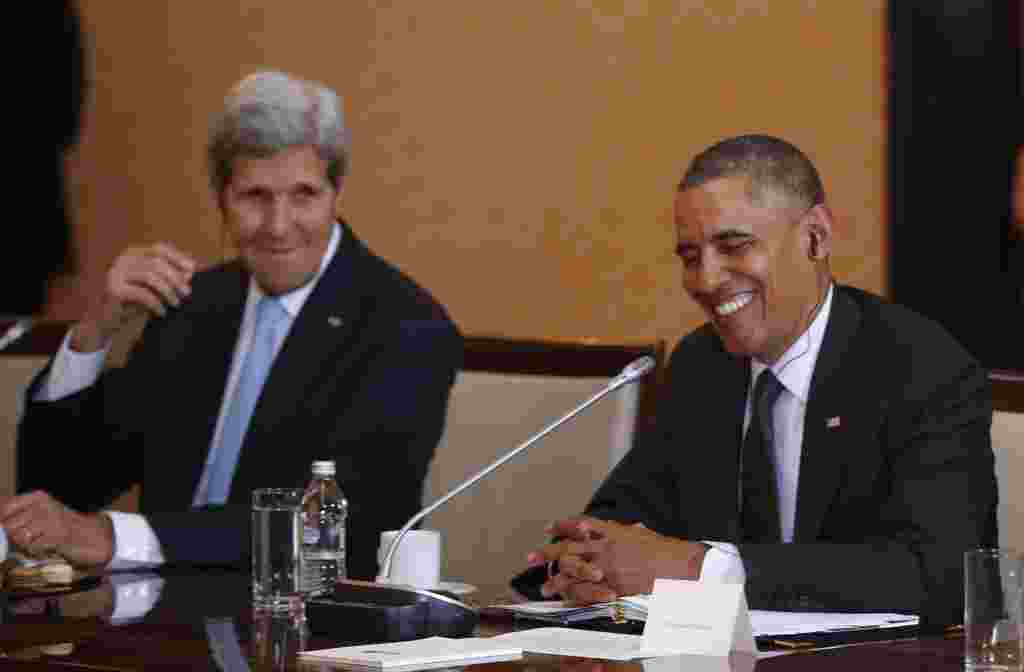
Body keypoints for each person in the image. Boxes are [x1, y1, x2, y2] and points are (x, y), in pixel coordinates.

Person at [1, 70, 462, 581]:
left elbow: (339, 520)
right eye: (255, 196)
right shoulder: (194, 305)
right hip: (160, 621)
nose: (279, 224)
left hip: (315, 628)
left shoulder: (406, 325)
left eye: (304, 194)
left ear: (337, 192)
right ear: (221, 199)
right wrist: (94, 331)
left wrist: (115, 537)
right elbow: (57, 493)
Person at [519, 134, 996, 626]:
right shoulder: (703, 364)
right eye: (689, 257)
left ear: (816, 237)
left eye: (734, 246)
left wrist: (700, 568)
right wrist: (585, 561)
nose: (705, 280)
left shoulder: (920, 365)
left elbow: (940, 574)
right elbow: (624, 515)